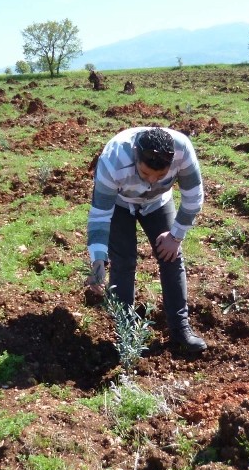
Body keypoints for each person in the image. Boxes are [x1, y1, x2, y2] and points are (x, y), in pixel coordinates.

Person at [86, 126, 207, 354]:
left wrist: (175, 236)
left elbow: (193, 198)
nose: (151, 181)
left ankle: (181, 330)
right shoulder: (113, 160)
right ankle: (127, 334)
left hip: (158, 202)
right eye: (145, 173)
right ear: (135, 155)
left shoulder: (182, 151)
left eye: (160, 176)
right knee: (123, 260)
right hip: (120, 204)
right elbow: (100, 214)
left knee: (171, 256)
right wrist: (98, 260)